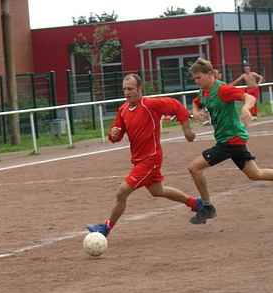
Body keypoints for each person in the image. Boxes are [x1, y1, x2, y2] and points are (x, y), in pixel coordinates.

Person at [187, 58, 273, 225]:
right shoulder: (204, 91)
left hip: (230, 141)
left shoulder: (223, 90)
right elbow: (196, 102)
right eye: (194, 79)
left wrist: (246, 108)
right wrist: (195, 112)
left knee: (194, 168)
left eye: (199, 77)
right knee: (255, 174)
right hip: (230, 141)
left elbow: (249, 98)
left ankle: (207, 207)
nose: (197, 81)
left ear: (210, 74)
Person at [86, 73, 200, 237]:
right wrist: (113, 134)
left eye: (130, 89)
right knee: (158, 191)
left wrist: (187, 130)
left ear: (139, 89)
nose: (127, 92)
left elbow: (176, 105)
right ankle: (196, 204)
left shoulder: (150, 104)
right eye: (124, 89)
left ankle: (105, 228)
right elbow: (115, 137)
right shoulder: (123, 109)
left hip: (150, 159)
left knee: (122, 192)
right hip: (139, 161)